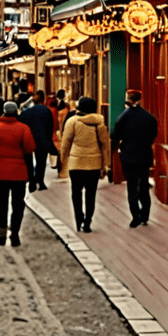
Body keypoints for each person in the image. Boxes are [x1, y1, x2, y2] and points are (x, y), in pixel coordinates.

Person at [0, 101, 36, 247]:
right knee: (18, 204)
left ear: (4, 112)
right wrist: (32, 178)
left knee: (1, 203)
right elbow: (30, 149)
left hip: (0, 173)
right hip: (19, 173)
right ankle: (15, 233)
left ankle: (2, 232)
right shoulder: (23, 128)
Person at [59, 96, 111, 233]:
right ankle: (87, 221)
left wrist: (63, 161)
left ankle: (78, 218)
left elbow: (65, 144)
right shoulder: (99, 123)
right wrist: (106, 165)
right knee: (91, 194)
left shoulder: (72, 122)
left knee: (76, 193)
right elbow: (105, 145)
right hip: (94, 164)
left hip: (76, 164)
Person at [111, 88, 159, 227]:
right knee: (143, 185)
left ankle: (135, 215)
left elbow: (115, 136)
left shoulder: (124, 116)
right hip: (144, 155)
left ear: (128, 99)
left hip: (129, 156)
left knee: (132, 187)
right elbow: (154, 134)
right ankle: (145, 215)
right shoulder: (149, 117)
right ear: (140, 99)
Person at [18, 91, 55, 192]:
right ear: (44, 99)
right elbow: (50, 126)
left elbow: (20, 124)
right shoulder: (46, 111)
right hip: (43, 139)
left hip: (28, 139)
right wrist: (49, 139)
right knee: (41, 162)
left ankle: (31, 182)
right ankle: (40, 181)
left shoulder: (27, 112)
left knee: (29, 162)